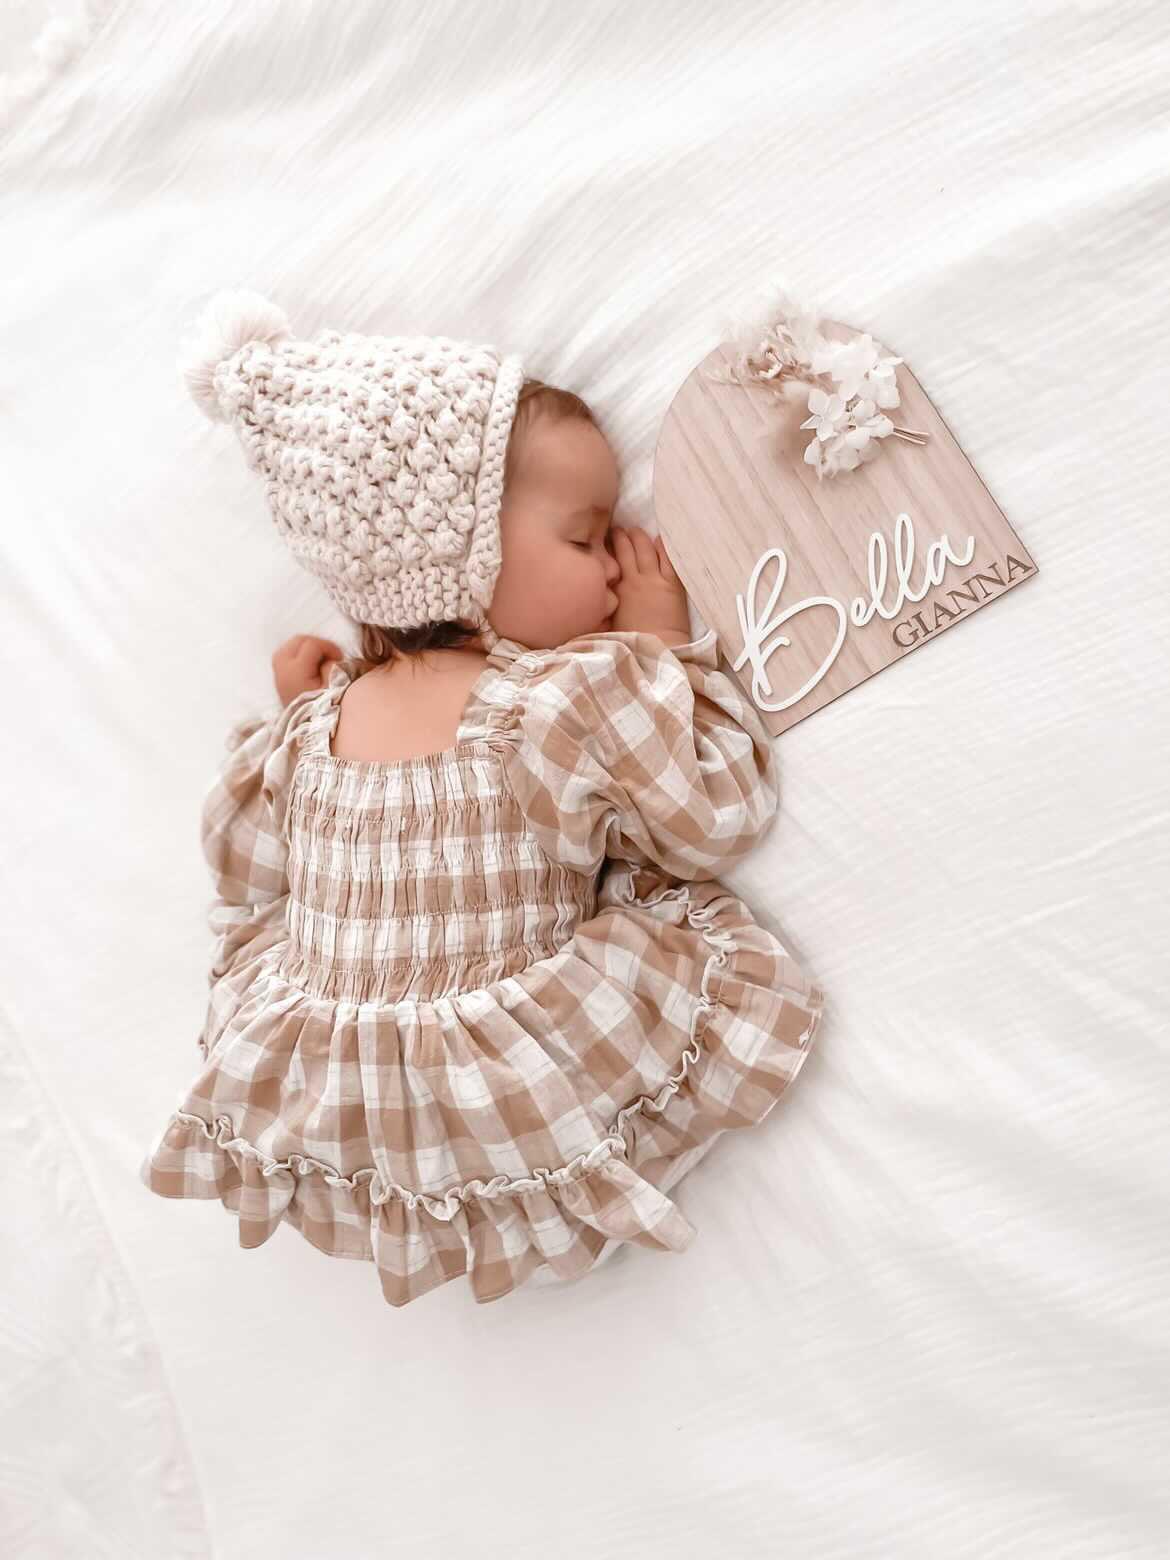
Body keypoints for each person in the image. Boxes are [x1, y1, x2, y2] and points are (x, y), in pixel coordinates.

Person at [139, 290, 826, 1309]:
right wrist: (654, 649)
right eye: (587, 538)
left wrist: (300, 711)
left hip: (360, 1098)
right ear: (456, 558)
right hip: (505, 1084)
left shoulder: (317, 734)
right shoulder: (554, 706)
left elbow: (248, 871)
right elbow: (710, 820)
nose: (612, 563)